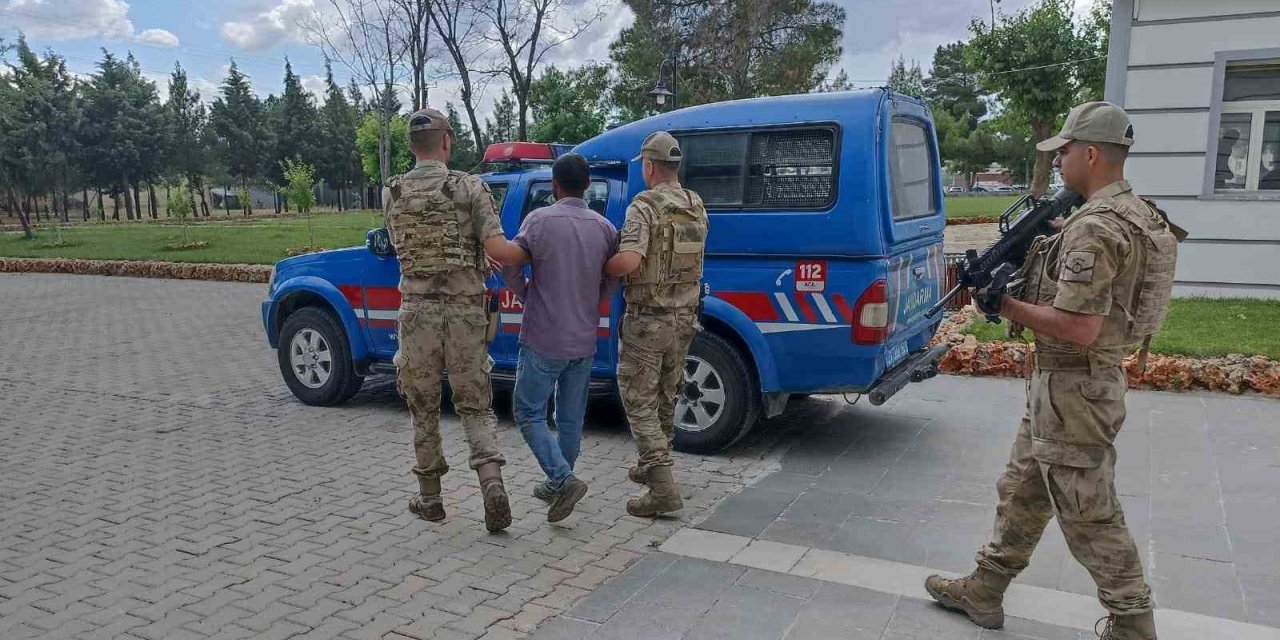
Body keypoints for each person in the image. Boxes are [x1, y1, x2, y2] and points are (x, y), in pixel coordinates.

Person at [925, 102, 1182, 640]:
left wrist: (1003, 305)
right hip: (1068, 386)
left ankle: (1133, 621)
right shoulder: (1131, 213)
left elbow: (1080, 326)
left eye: (1063, 151)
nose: (1059, 160)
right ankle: (985, 590)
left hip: (1075, 388)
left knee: (1089, 511)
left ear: (1090, 154)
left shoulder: (1095, 229)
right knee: (1022, 487)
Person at [384, 107, 527, 534]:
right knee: (475, 404)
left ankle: (430, 499)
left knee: (422, 406)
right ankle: (491, 485)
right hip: (465, 311)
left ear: (412, 146)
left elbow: (400, 248)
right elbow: (497, 248)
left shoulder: (392, 192)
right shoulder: (469, 187)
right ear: (447, 141)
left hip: (417, 313)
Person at [500, 153, 618, 523]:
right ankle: (558, 486)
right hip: (583, 338)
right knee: (569, 419)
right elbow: (613, 277)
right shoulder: (604, 229)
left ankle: (562, 479)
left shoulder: (538, 221)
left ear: (554, 184)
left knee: (527, 411)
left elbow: (510, 264)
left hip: (543, 337)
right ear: (588, 186)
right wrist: (593, 302)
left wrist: (525, 294)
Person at [604, 131, 709, 518]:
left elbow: (630, 260)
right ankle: (655, 467)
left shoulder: (644, 206)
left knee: (638, 400)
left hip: (648, 319)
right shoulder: (695, 204)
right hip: (685, 318)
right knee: (666, 395)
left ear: (648, 167)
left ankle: (663, 487)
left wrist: (603, 267)